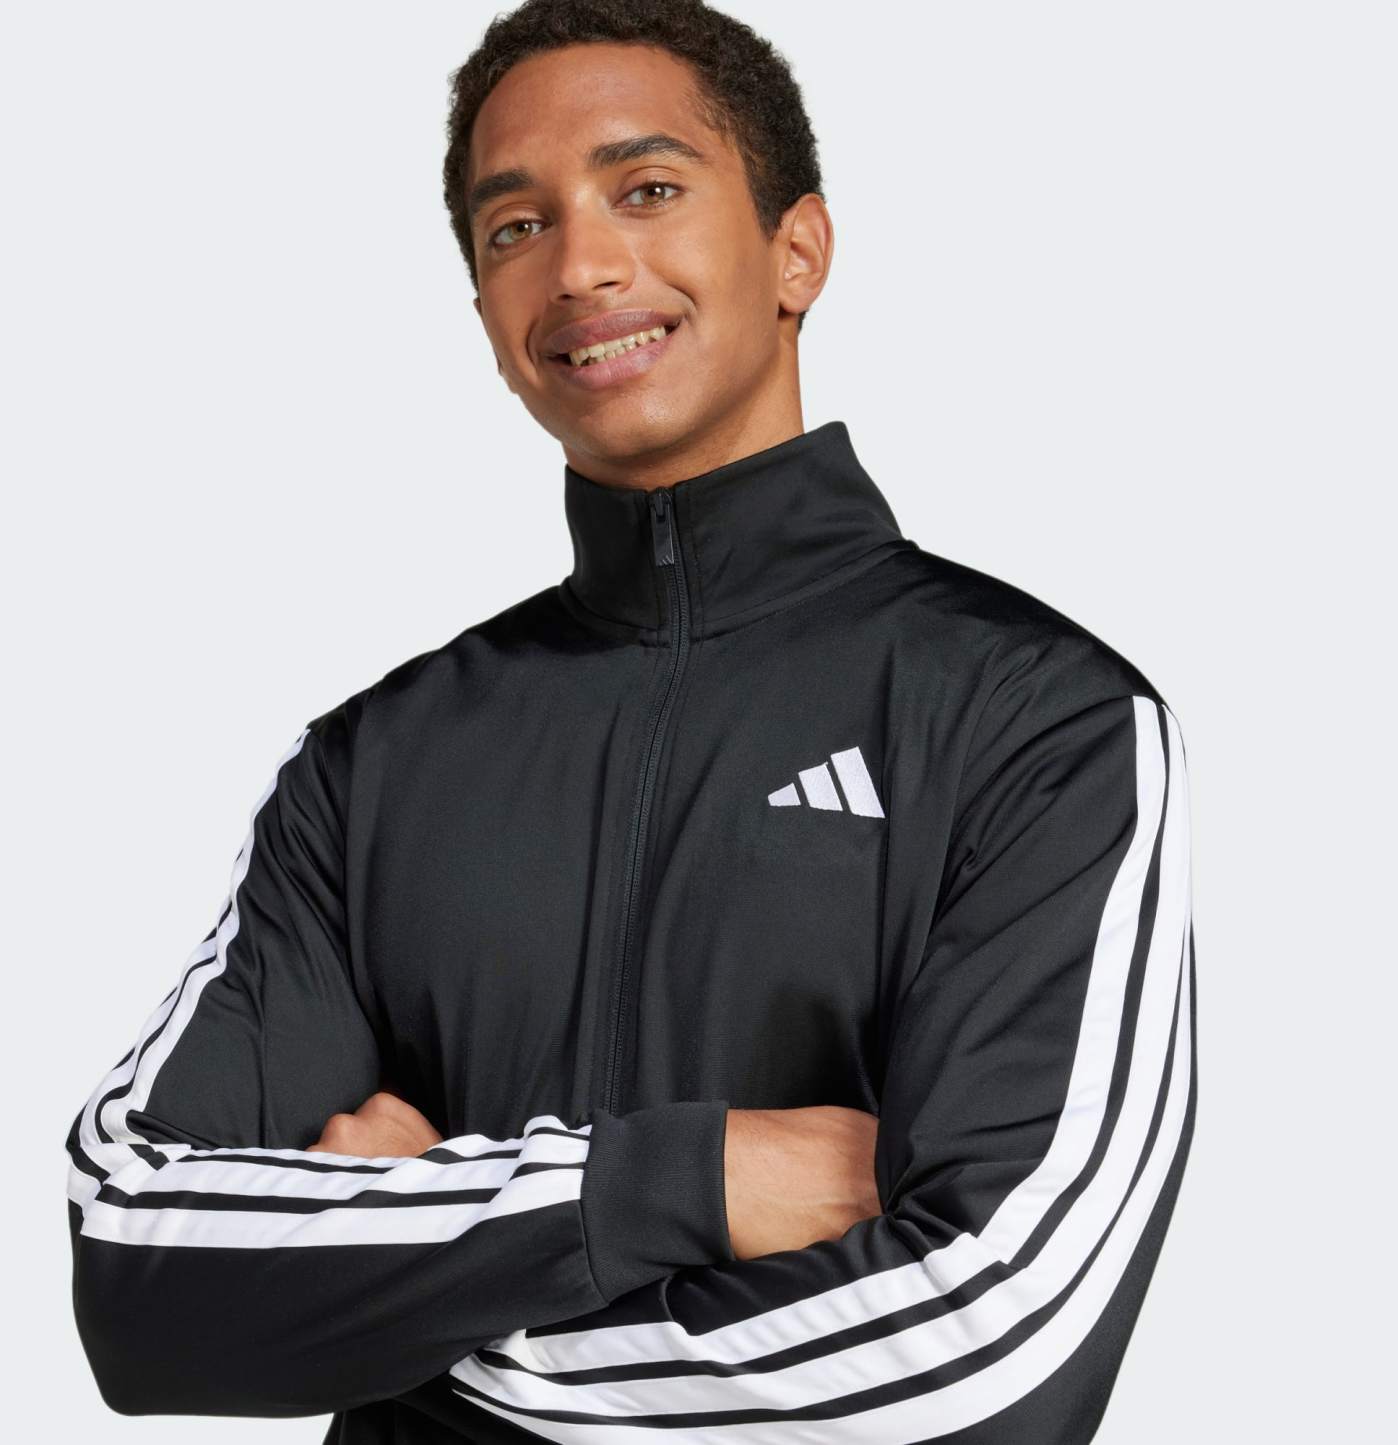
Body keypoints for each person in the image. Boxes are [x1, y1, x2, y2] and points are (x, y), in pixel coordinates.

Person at [65, 2, 1198, 1441]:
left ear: (798, 250)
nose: (581, 265)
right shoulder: (372, 766)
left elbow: (985, 1357)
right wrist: (684, 1181)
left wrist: (382, 1311)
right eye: (514, 227)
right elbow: (139, 1266)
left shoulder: (1039, 723)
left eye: (646, 189)